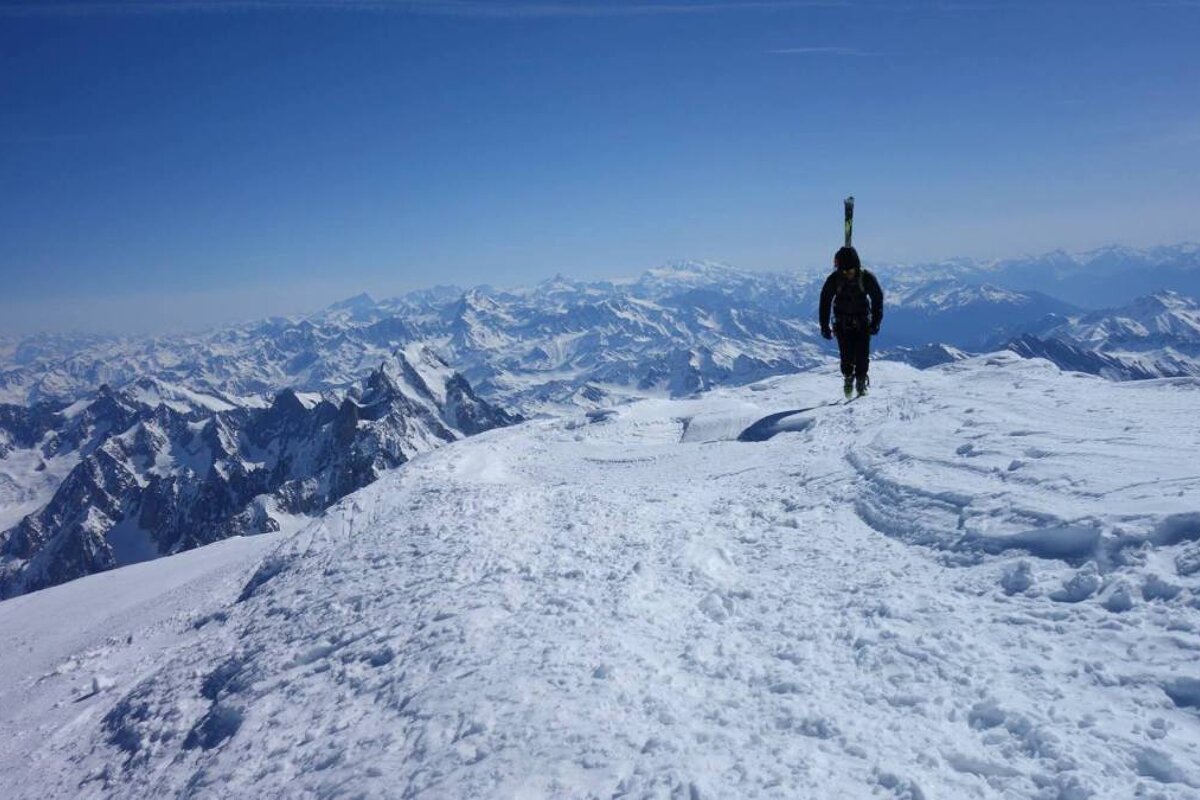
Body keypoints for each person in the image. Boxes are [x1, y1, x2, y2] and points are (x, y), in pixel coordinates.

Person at [819, 246, 884, 398]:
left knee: (862, 355)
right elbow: (825, 301)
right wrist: (824, 326)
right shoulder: (834, 280)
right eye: (844, 271)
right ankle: (848, 377)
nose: (847, 274)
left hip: (863, 323)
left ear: (856, 267)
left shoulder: (866, 278)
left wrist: (876, 321)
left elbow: (877, 299)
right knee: (846, 355)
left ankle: (861, 381)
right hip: (842, 324)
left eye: (850, 271)